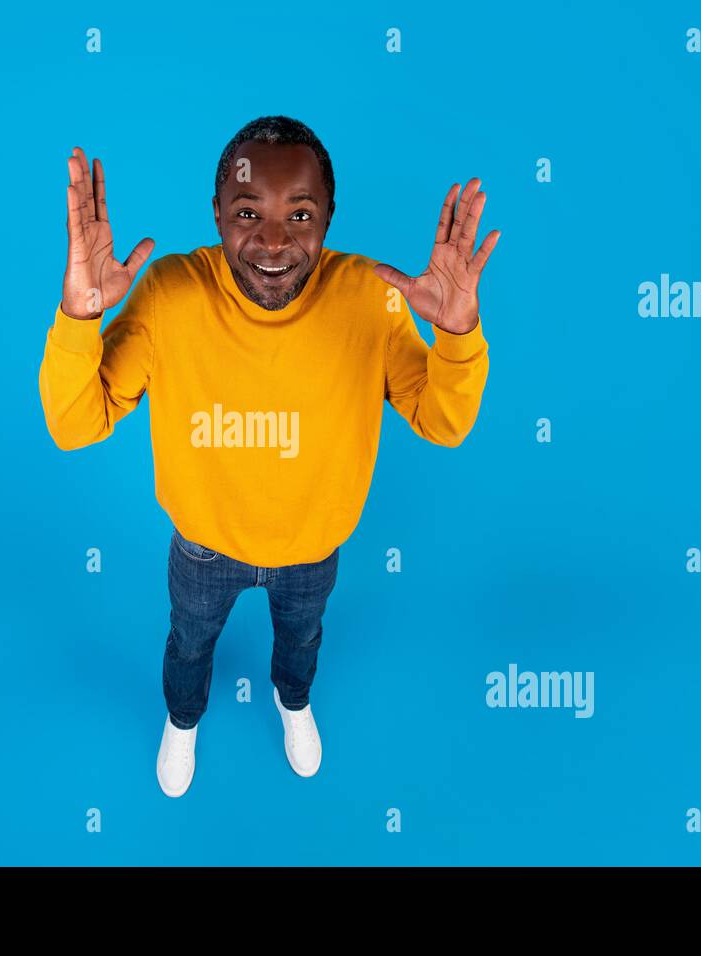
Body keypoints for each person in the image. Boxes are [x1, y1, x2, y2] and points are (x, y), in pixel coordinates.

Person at [38, 116, 498, 797]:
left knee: (303, 641)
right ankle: (183, 719)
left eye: (302, 213)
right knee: (189, 644)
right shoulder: (170, 293)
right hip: (203, 548)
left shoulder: (372, 297)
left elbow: (444, 421)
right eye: (248, 211)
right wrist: (80, 317)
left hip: (313, 548)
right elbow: (76, 424)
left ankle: (292, 702)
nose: (275, 241)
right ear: (217, 213)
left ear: (329, 218)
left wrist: (457, 333)